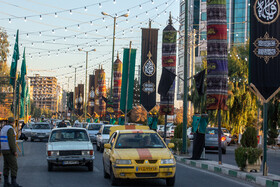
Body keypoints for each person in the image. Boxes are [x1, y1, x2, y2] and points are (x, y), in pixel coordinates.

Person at [0, 117, 22, 187]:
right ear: (13, 122)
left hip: (3, 150)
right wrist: (14, 151)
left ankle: (6, 183)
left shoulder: (3, 129)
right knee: (14, 166)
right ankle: (13, 183)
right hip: (9, 150)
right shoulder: (10, 129)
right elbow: (11, 141)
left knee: (6, 166)